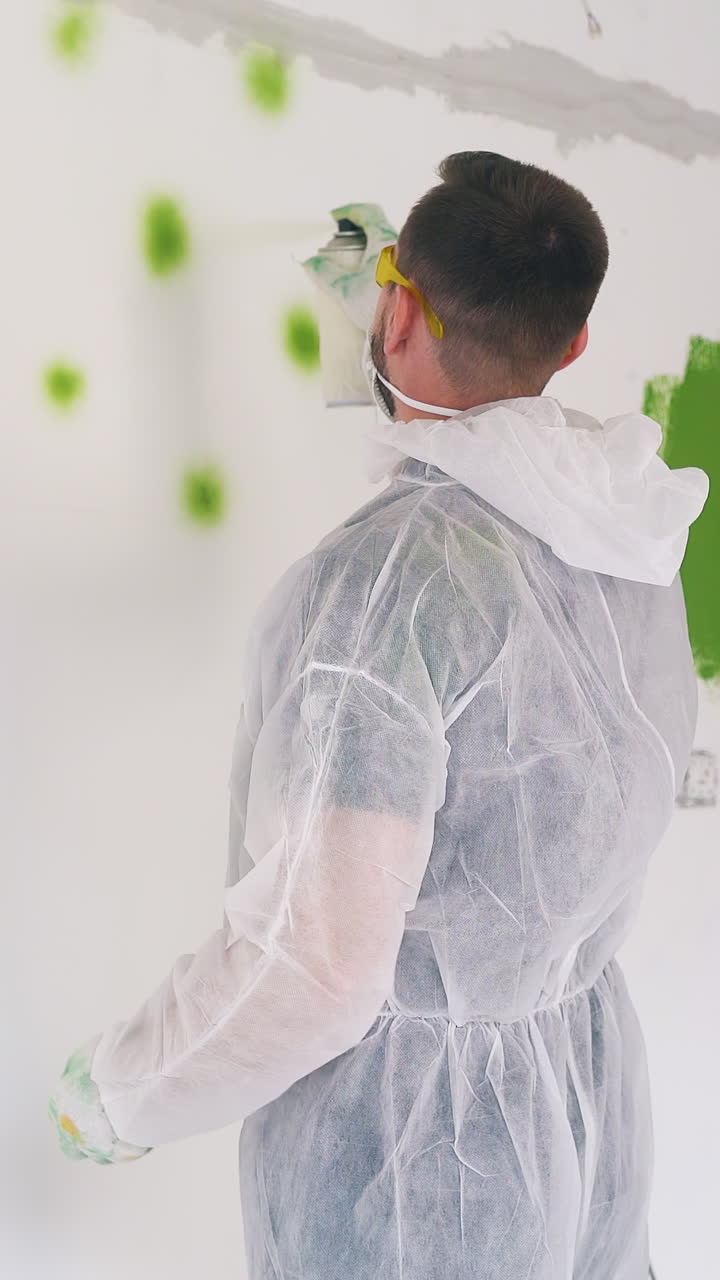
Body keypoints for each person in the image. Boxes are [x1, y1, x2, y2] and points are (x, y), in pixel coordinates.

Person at [50, 152, 709, 1279]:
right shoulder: (624, 539)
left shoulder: (384, 588)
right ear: (577, 344)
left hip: (420, 1168)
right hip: (581, 1109)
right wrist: (406, 334)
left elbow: (318, 960)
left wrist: (126, 1087)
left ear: (400, 313)